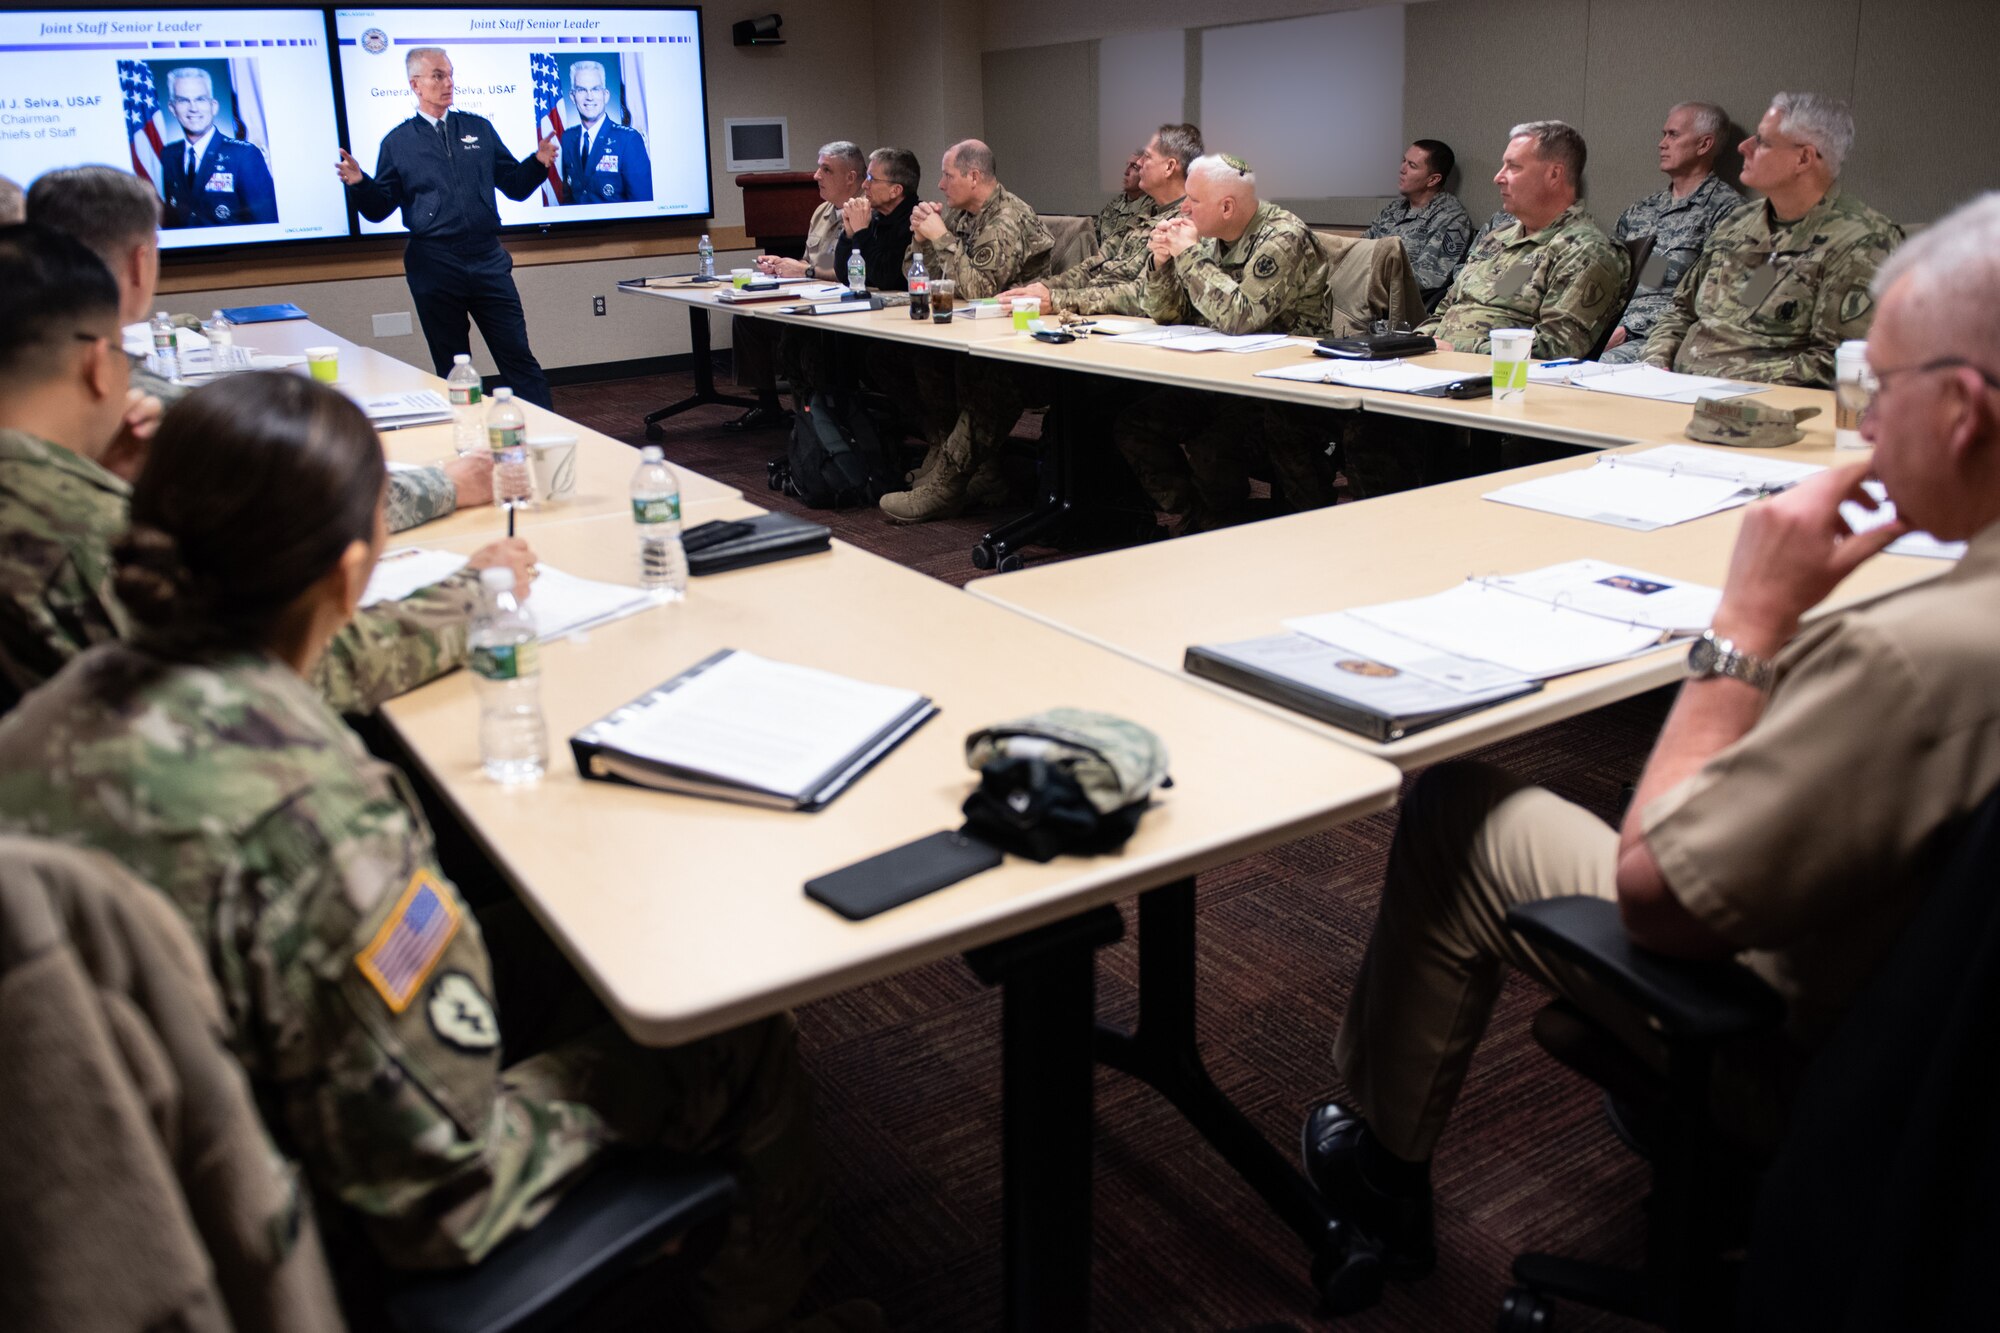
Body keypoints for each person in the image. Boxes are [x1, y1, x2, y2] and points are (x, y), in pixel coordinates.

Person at [0, 369, 845, 1333]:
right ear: (348, 573)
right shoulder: (310, 812)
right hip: (320, 1213)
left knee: (560, 945)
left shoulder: (49, 712)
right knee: (724, 1030)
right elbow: (437, 1188)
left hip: (132, 1146)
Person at [1299, 190, 2000, 1285]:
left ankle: (1378, 1178)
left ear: (1958, 414)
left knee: (1456, 809)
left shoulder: (1919, 655)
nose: (1860, 412)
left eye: (1880, 381)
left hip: (1851, 1078)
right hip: (1931, 1029)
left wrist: (1746, 625)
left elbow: (1658, 899)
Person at [0, 223, 527, 718]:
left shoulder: (53, 491)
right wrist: (482, 592)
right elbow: (264, 677)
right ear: (98, 366)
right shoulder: (71, 529)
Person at [28, 165, 487, 535]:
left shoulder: (32, 353)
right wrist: (447, 482)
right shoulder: (133, 400)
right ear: (139, 262)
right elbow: (299, 508)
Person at [1113, 153, 1334, 532]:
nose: (1183, 208)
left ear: (1227, 206)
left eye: (1193, 201)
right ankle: (1199, 518)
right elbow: (1166, 313)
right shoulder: (1212, 238)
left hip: (1282, 390)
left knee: (1212, 449)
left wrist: (1188, 254)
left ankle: (1232, 524)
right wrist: (1161, 264)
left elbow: (1239, 317)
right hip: (1222, 378)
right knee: (1135, 427)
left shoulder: (1283, 236)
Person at [336, 46, 557, 410]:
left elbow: (515, 187)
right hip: (434, 264)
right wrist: (361, 183)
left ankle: (547, 431)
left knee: (518, 356)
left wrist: (537, 163)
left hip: (487, 259)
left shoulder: (479, 129)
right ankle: (466, 439)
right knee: (454, 366)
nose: (449, 82)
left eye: (451, 74)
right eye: (438, 75)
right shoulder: (398, 142)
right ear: (416, 84)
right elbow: (378, 209)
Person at [1640, 92, 1902, 387]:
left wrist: (1715, 380)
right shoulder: (1737, 223)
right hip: (1674, 392)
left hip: (1762, 410)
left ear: (1803, 158)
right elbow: (1680, 310)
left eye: (1762, 142)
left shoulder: (1862, 241)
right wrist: (1655, 364)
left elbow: (1835, 362)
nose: (1743, 147)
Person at [875, 140, 1053, 524]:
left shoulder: (1007, 219)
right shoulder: (963, 217)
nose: (939, 184)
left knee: (987, 378)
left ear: (973, 177)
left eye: (948, 175)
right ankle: (968, 466)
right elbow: (914, 276)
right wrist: (921, 240)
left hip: (1023, 343)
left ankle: (949, 485)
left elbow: (978, 290)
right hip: (977, 330)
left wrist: (940, 237)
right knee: (920, 358)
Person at [1420, 120, 1627, 358]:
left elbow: (1557, 348)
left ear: (1554, 174)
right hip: (1438, 364)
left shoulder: (1586, 249)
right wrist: (1415, 343)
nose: (1498, 177)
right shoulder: (1498, 237)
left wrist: (1457, 349)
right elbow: (1444, 310)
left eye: (1513, 167)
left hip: (1500, 380)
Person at [998, 122, 1203, 318]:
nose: (1139, 163)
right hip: (1094, 312)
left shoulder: (1186, 224)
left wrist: (1058, 300)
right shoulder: (1144, 214)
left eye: (1147, 157)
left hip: (1128, 323)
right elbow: (1094, 265)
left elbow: (1143, 295)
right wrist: (1046, 287)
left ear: (1169, 167)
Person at [729, 141, 866, 432]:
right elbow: (809, 261)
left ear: (851, 178)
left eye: (826, 169)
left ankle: (818, 418)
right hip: (809, 298)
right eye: (818, 168)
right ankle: (767, 404)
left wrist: (805, 270)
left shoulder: (867, 214)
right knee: (748, 319)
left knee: (799, 336)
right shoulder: (821, 213)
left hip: (841, 311)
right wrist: (781, 266)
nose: (816, 175)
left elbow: (854, 272)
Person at [1599, 102, 1742, 362]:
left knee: (1602, 367)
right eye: (1664, 134)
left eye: (1673, 135)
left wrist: (1629, 329)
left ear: (1704, 145)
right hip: (1609, 328)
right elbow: (1607, 279)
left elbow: (1710, 299)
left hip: (1660, 337)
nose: (1662, 143)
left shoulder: (1728, 212)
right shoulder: (1640, 210)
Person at [158, 67, 278, 229]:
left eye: (200, 99)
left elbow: (267, 223)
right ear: (172, 108)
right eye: (183, 100)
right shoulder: (169, 154)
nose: (193, 108)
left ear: (213, 106)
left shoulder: (244, 155)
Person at [1364, 139, 1473, 302]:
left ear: (1433, 180)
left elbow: (1429, 280)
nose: (1402, 169)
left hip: (1398, 304)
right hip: (1365, 289)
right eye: (1404, 161)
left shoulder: (1451, 218)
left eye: (1412, 166)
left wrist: (1371, 277)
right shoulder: (1395, 209)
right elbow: (1361, 248)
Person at [557, 60, 652, 204]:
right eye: (582, 89)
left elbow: (643, 203)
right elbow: (569, 196)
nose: (589, 97)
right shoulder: (568, 138)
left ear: (605, 95)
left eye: (595, 89)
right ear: (572, 96)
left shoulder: (628, 140)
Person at [834, 147, 919, 291]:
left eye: (871, 179)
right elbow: (845, 276)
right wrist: (849, 235)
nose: (864, 185)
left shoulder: (916, 221)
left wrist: (861, 231)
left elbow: (886, 279)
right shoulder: (875, 217)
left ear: (895, 190)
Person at [1095, 147, 1152, 246]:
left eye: (1134, 167)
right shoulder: (1114, 205)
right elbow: (1095, 240)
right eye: (1127, 165)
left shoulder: (1152, 207)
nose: (1126, 172)